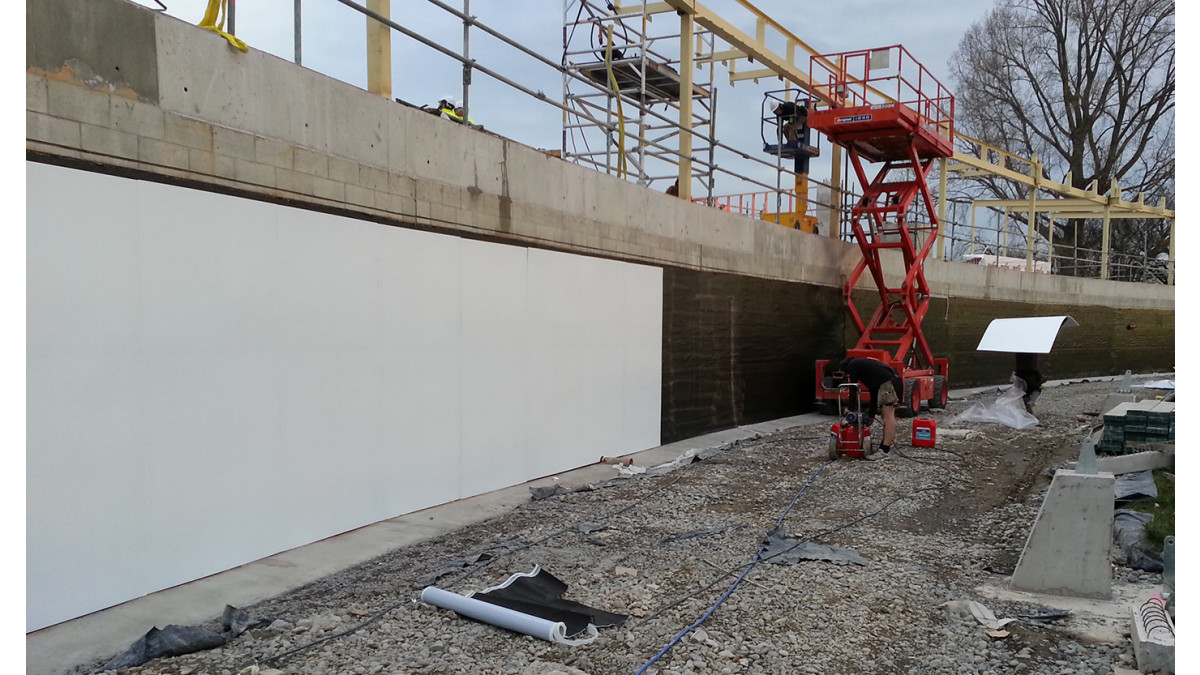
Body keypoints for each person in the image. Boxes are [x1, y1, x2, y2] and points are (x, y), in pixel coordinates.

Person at [833, 356, 902, 460]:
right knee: (886, 415)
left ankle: (885, 450)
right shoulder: (866, 369)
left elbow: (853, 387)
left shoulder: (853, 365)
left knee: (888, 416)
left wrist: (850, 408)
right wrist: (871, 415)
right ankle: (885, 444)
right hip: (893, 381)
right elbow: (873, 391)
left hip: (889, 384)